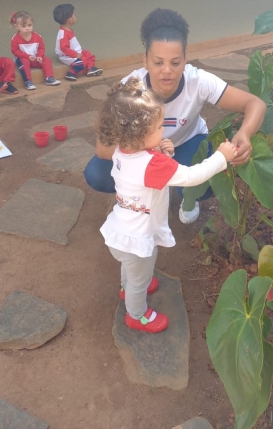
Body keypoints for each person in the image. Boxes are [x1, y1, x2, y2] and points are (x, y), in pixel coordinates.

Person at [84, 8, 267, 224]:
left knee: (205, 179)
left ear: (185, 60)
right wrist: (150, 156)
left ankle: (188, 197)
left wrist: (245, 133)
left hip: (188, 142)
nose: (167, 70)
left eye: (175, 62)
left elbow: (255, 104)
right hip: (144, 149)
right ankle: (133, 194)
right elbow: (102, 148)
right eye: (158, 62)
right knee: (97, 173)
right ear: (145, 60)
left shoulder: (198, 81)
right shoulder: (131, 89)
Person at [98, 78, 237, 333]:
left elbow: (147, 171)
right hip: (139, 236)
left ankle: (127, 287)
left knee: (131, 268)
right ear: (140, 134)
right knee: (140, 278)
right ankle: (136, 315)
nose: (164, 130)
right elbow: (192, 176)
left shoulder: (122, 151)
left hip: (121, 229)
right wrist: (221, 157)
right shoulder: (152, 164)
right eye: (160, 126)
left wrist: (163, 153)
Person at [10, 11, 60, 90]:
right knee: (24, 61)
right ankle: (28, 81)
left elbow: (41, 48)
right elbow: (15, 51)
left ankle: (49, 78)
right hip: (24, 59)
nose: (27, 28)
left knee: (46, 60)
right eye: (23, 26)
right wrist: (27, 56)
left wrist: (40, 56)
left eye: (29, 25)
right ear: (16, 26)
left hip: (35, 59)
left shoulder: (37, 36)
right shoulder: (15, 39)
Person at [53, 4, 103, 81]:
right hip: (67, 56)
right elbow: (63, 48)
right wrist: (75, 54)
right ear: (70, 20)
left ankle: (90, 68)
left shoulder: (67, 30)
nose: (76, 15)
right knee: (82, 62)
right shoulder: (64, 34)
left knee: (88, 55)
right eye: (74, 15)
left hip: (74, 52)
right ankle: (71, 73)